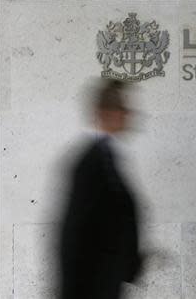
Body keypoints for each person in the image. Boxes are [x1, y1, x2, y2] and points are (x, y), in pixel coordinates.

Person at [59, 79, 142, 299]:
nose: (129, 114)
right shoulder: (90, 163)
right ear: (106, 113)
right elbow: (73, 235)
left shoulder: (106, 159)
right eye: (123, 108)